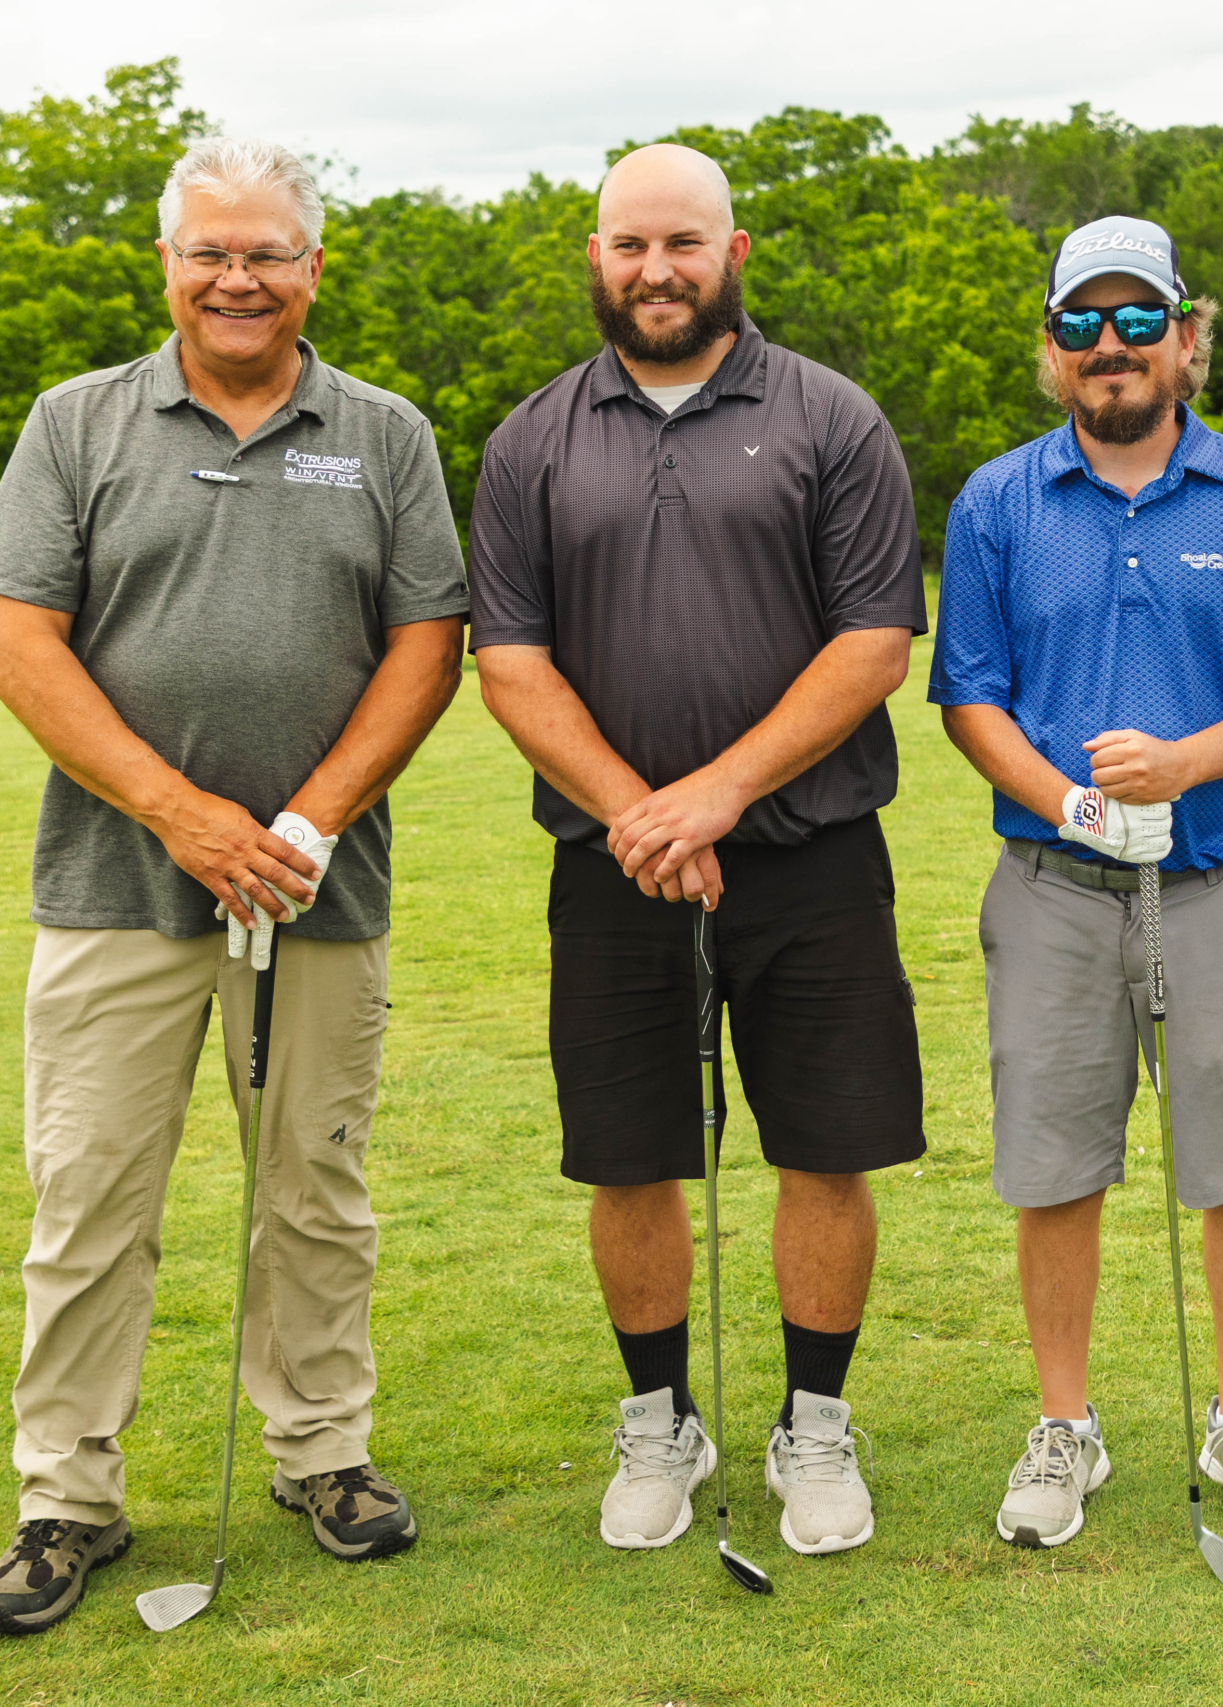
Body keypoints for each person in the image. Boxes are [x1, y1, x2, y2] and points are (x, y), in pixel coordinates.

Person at [0, 137, 469, 1634]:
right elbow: (21, 647)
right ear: (169, 264)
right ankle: (67, 1497)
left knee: (314, 1188)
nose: (237, 279)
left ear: (313, 267)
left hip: (319, 890)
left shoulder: (382, 434)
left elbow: (425, 647)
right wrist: (183, 815)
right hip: (115, 884)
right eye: (210, 253)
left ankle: (323, 1454)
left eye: (266, 253)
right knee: (89, 1198)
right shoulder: (78, 423)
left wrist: (305, 823)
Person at [468, 144, 927, 1560]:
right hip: (614, 868)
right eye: (629, 245)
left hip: (809, 854)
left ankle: (815, 1427)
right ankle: (660, 1423)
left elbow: (875, 641)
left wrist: (715, 795)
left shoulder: (832, 419)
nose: (655, 270)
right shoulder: (532, 440)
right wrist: (639, 812)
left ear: (734, 254)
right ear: (596, 259)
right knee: (630, 1157)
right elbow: (510, 661)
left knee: (826, 1150)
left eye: (682, 243)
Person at [928, 216, 1223, 1550]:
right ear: (1053, 348)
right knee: (1053, 1163)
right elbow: (970, 696)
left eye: (1140, 320)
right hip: (1052, 882)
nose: (1112, 347)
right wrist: (1076, 803)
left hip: (1217, 877)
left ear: (1185, 336)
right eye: (1084, 325)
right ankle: (1066, 1427)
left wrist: (1181, 767)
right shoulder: (997, 501)